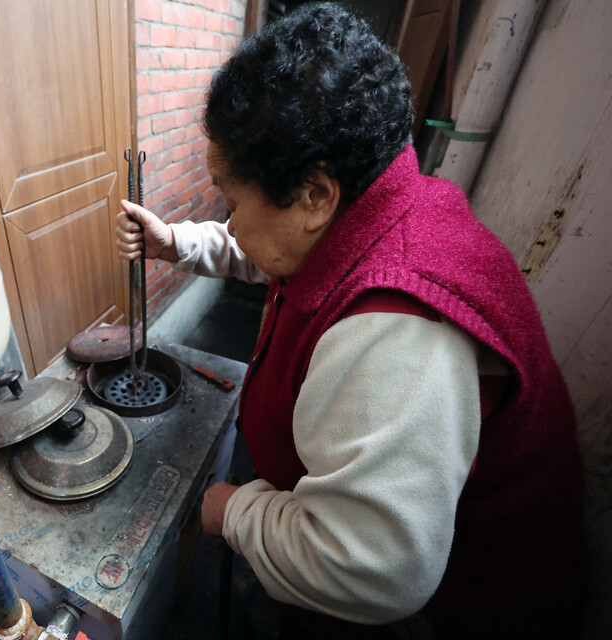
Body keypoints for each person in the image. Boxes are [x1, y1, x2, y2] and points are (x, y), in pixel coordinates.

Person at [115, 4, 586, 639]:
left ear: (313, 195)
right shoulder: (378, 207)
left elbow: (374, 571)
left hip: (454, 613)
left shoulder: (399, 332)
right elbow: (274, 252)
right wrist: (176, 241)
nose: (232, 221)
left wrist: (236, 512)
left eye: (233, 198)